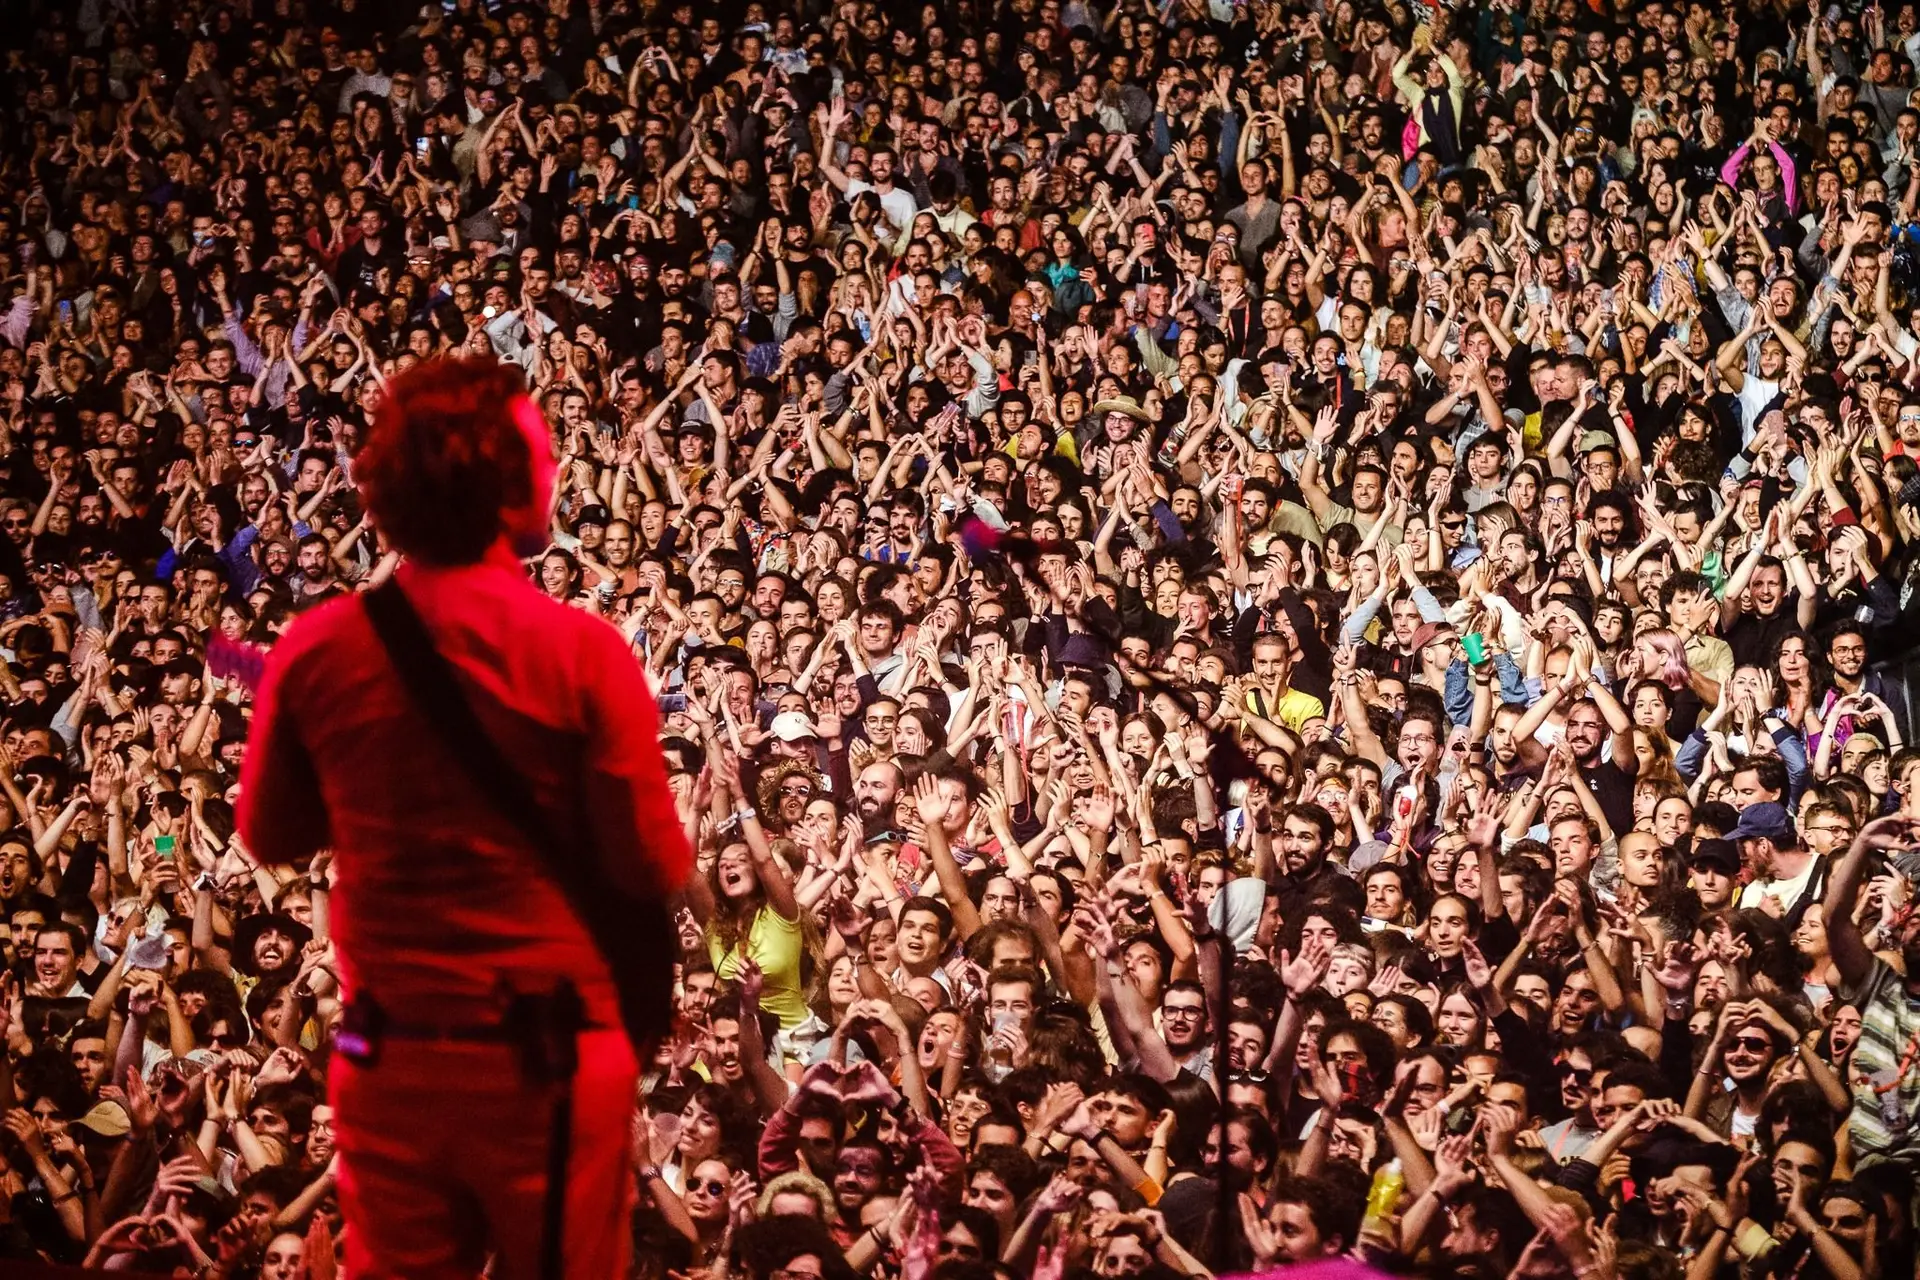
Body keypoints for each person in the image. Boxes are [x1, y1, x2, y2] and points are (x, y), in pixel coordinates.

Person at [238, 358, 692, 1276]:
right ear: (503, 480)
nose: (558, 470)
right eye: (544, 452)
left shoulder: (317, 647)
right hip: (548, 1063)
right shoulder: (579, 652)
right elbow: (652, 867)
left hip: (391, 1056)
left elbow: (270, 833)